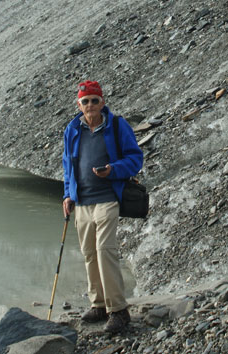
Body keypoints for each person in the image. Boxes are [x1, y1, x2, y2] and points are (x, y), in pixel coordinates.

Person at [62, 80, 143, 333]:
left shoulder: (117, 125)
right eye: (85, 101)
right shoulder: (72, 129)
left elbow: (135, 159)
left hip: (108, 197)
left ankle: (118, 310)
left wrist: (112, 170)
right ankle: (98, 304)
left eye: (94, 100)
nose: (90, 105)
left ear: (102, 102)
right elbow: (68, 165)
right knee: (89, 253)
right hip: (82, 202)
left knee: (105, 250)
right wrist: (67, 195)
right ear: (79, 104)